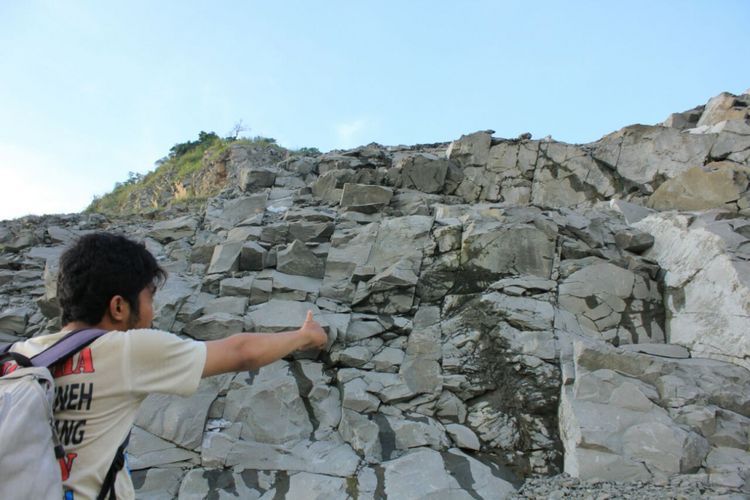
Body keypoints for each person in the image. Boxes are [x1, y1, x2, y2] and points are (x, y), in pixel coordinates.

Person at [6, 232, 328, 499]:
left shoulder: (15, 357)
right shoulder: (126, 349)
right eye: (149, 298)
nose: (153, 313)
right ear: (119, 306)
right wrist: (304, 336)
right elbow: (240, 351)